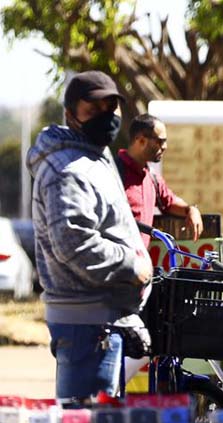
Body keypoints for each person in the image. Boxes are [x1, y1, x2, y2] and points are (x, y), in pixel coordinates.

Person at [26, 71, 152, 399]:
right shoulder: (67, 170)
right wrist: (131, 264)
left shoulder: (95, 154)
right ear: (71, 115)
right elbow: (73, 243)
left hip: (103, 319)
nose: (105, 116)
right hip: (87, 324)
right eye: (93, 109)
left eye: (111, 107)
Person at [117, 113, 204, 244]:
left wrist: (191, 210)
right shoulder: (113, 173)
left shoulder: (151, 177)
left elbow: (169, 202)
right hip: (115, 261)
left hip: (140, 262)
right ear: (140, 140)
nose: (165, 147)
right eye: (160, 141)